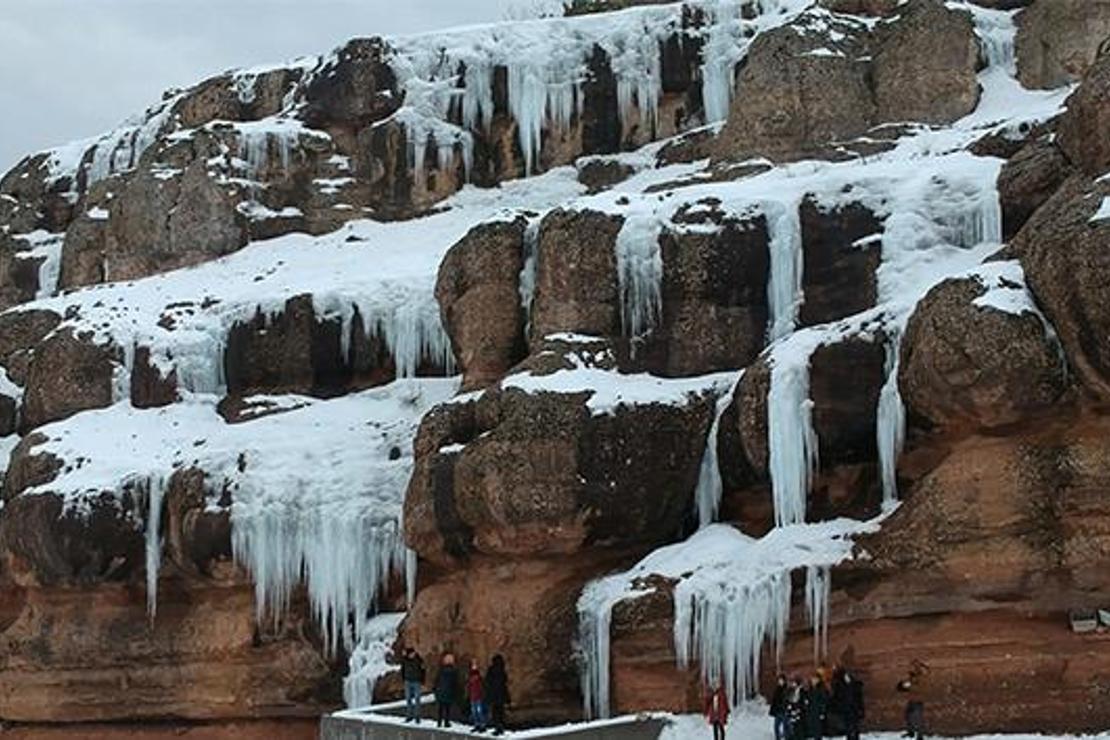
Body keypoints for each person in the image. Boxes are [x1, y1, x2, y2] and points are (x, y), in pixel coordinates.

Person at [831, 666, 865, 740]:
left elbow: (858, 698)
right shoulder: (839, 684)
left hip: (851, 709)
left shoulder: (851, 684)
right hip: (848, 710)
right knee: (850, 729)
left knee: (853, 729)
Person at [897, 663, 927, 739]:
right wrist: (901, 685)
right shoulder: (910, 681)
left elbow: (925, 671)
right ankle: (911, 732)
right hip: (911, 702)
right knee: (907, 717)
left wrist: (919, 666)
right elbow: (901, 689)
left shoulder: (920, 679)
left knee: (918, 720)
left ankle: (920, 737)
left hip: (918, 702)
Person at [484, 654, 511, 736]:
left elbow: (487, 681)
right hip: (501, 695)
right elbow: (505, 682)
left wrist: (488, 695)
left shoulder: (491, 669)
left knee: (495, 712)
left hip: (494, 695)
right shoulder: (502, 670)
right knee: (500, 712)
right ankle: (501, 727)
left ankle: (497, 727)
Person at [400, 646, 426, 723]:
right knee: (408, 699)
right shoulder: (405, 660)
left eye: (413, 653)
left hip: (416, 681)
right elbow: (403, 670)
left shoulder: (419, 660)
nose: (413, 654)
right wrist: (403, 678)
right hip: (408, 681)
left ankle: (417, 716)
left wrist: (422, 680)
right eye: (411, 653)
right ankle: (409, 716)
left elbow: (423, 670)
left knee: (417, 699)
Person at [434, 652, 459, 728]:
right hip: (447, 691)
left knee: (441, 708)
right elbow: (455, 683)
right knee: (447, 708)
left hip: (441, 691)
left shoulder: (441, 670)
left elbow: (436, 681)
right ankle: (446, 722)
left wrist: (436, 690)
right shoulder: (453, 671)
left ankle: (439, 722)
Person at [804, 673, 829, 740]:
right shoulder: (810, 689)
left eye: (815, 679)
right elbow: (808, 699)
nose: (813, 680)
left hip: (818, 712)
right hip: (811, 712)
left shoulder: (821, 688)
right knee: (813, 730)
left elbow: (824, 700)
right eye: (813, 679)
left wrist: (822, 711)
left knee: (818, 731)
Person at [467, 658, 488, 732]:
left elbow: (481, 687)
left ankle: (482, 725)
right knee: (474, 712)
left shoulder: (479, 678)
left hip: (478, 697)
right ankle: (477, 724)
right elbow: (469, 687)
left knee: (479, 711)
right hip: (473, 697)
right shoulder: (470, 678)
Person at [770, 674, 790, 740]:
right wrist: (773, 710)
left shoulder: (787, 689)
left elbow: (787, 700)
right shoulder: (777, 689)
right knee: (776, 727)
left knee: (786, 727)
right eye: (779, 680)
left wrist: (786, 708)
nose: (780, 681)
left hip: (784, 711)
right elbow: (774, 700)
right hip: (778, 711)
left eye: (781, 680)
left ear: (784, 681)